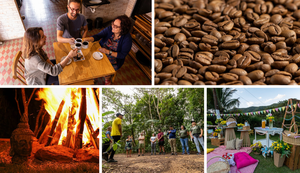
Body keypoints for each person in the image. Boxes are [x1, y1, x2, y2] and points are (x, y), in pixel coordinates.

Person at [84, 15, 132, 85]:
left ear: (123, 29)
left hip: (113, 58)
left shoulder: (127, 39)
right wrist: (89, 39)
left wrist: (107, 52)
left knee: (106, 69)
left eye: (116, 26)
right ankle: (93, 76)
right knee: (89, 61)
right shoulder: (110, 29)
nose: (113, 26)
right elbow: (98, 35)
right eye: (113, 23)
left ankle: (107, 78)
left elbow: (122, 55)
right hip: (101, 51)